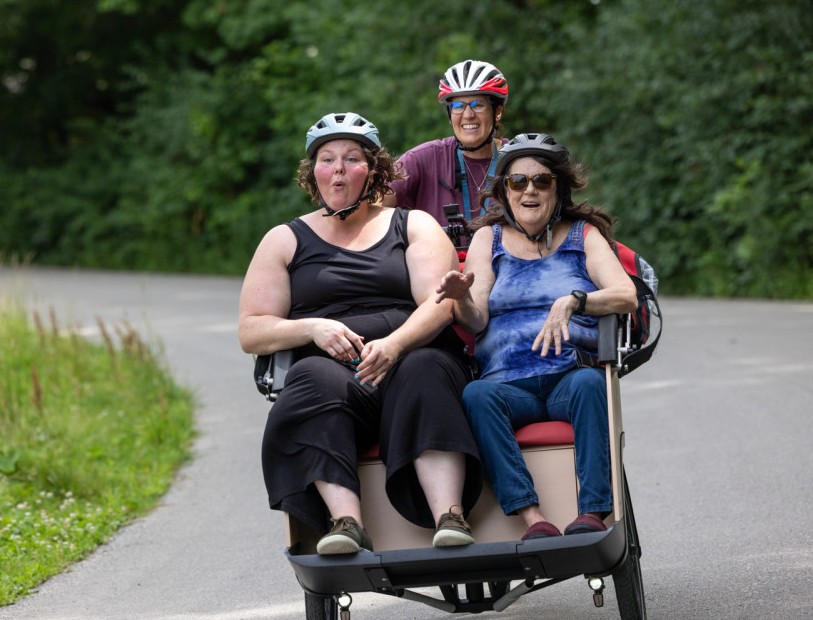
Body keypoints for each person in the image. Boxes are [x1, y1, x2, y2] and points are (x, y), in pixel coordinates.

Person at [239, 112, 483, 554]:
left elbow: (440, 301)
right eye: (327, 159)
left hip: (413, 355)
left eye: (352, 159)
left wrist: (395, 344)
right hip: (339, 376)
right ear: (312, 171)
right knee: (310, 380)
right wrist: (311, 326)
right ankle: (346, 522)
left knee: (425, 368)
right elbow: (252, 330)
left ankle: (450, 516)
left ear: (372, 170)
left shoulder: (411, 224)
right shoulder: (284, 239)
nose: (338, 169)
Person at [435, 133, 638, 540]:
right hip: (508, 387)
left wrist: (575, 300)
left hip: (568, 378)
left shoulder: (583, 234)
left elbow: (626, 295)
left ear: (558, 188)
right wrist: (460, 300)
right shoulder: (486, 238)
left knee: (587, 382)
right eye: (517, 182)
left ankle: (594, 514)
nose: (530, 190)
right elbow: (476, 321)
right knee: (476, 395)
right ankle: (533, 519)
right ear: (504, 191)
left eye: (542, 181)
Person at [382, 59, 510, 231]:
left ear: (498, 112)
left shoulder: (518, 159)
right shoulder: (424, 158)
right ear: (450, 114)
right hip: (440, 257)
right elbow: (373, 209)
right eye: (458, 106)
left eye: (478, 105)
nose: (468, 115)